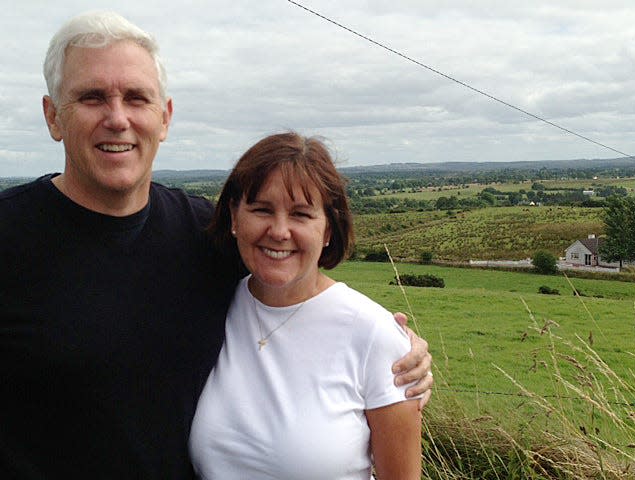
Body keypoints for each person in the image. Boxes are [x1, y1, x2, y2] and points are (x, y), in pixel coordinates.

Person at [0, 11, 432, 479]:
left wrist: (394, 350)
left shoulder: (205, 234)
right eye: (91, 97)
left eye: (136, 98)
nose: (117, 118)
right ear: (52, 116)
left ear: (163, 118)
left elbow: (294, 280)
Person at [189, 132, 423, 479]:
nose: (280, 231)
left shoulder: (373, 333)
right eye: (261, 209)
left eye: (300, 214)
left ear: (328, 229)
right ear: (235, 218)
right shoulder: (212, 306)